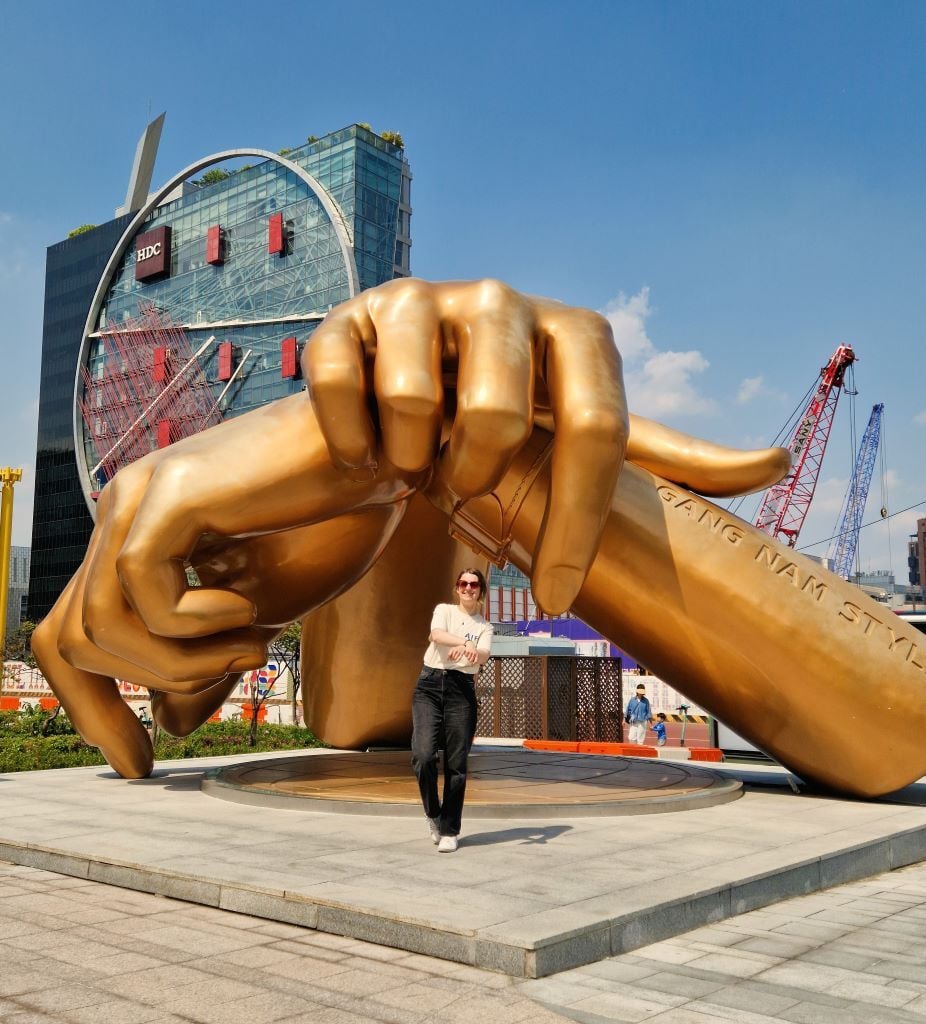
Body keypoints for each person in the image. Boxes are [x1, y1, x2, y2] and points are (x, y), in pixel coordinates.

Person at [412, 568, 493, 853]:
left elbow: (483, 654)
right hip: (430, 685)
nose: (468, 588)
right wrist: (464, 642)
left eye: (474, 584)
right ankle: (433, 813)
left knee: (456, 764)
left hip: (462, 690)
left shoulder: (485, 626)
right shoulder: (444, 610)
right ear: (456, 588)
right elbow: (436, 635)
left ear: (480, 590)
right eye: (463, 583)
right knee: (423, 756)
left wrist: (474, 650)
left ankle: (449, 829)